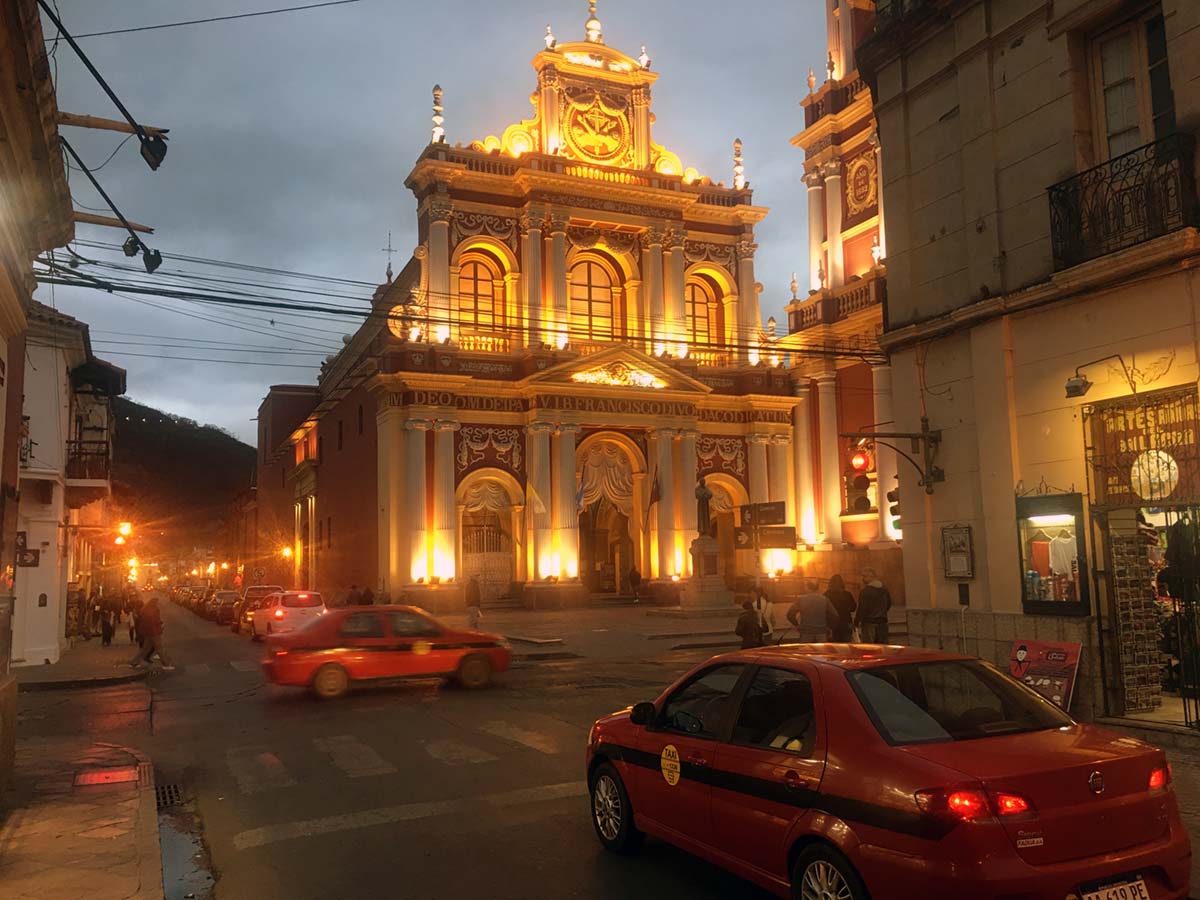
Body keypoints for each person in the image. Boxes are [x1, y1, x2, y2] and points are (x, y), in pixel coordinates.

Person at [128, 597, 174, 670]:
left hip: (148, 632)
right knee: (159, 649)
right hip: (154, 632)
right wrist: (161, 623)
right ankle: (166, 664)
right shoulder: (154, 610)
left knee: (145, 649)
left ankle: (134, 663)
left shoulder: (145, 609)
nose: (157, 604)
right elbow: (155, 621)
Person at [786, 578, 837, 643]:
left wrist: (797, 625)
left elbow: (790, 615)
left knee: (807, 652)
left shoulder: (801, 599)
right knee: (821, 652)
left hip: (806, 633)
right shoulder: (824, 599)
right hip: (821, 633)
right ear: (817, 588)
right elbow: (835, 615)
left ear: (807, 587)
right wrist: (829, 627)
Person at [855, 568, 893, 643]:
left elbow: (862, 608)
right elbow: (888, 604)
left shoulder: (865, 591)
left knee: (870, 649)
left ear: (871, 577)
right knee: (883, 649)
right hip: (882, 623)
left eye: (864, 576)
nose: (863, 579)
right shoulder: (884, 590)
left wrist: (857, 621)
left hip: (869, 623)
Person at [825, 574, 857, 642]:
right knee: (846, 646)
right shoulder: (847, 594)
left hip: (832, 625)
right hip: (845, 623)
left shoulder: (827, 595)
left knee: (832, 647)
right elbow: (853, 607)